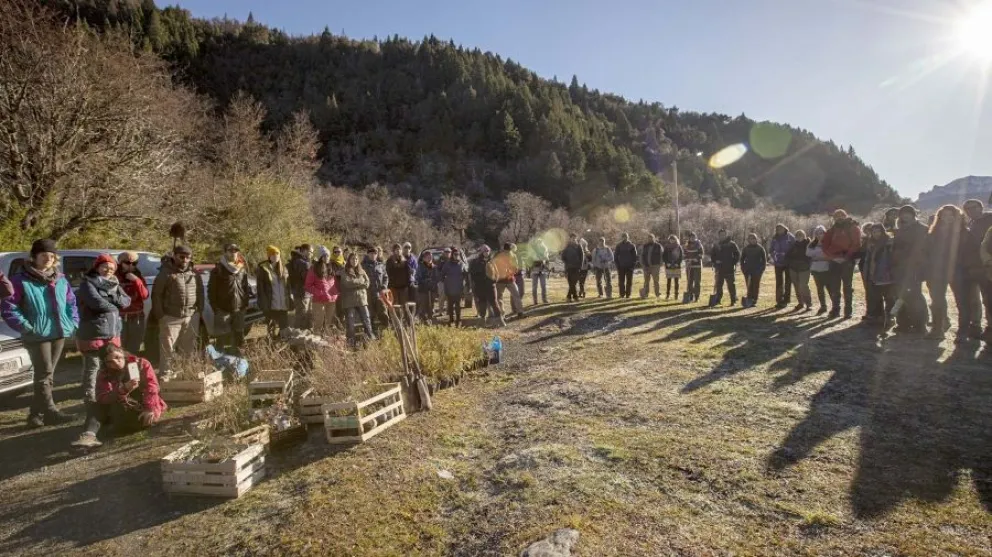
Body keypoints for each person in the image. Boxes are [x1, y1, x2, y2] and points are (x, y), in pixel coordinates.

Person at [2, 240, 79, 427]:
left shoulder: (60, 279)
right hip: (37, 334)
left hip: (59, 332)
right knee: (44, 373)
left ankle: (34, 415)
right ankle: (51, 411)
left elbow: (71, 303)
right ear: (34, 257)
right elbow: (9, 307)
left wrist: (73, 322)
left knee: (47, 374)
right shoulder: (20, 280)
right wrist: (26, 326)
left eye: (52, 256)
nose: (48, 259)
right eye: (44, 255)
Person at [71, 345, 166, 448]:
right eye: (110, 362)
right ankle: (88, 436)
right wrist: (123, 390)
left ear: (122, 353)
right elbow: (102, 397)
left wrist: (149, 408)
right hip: (119, 406)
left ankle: (111, 425)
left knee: (128, 418)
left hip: (141, 409)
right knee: (96, 405)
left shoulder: (140, 364)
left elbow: (152, 387)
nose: (116, 363)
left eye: (117, 357)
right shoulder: (105, 373)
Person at [77, 253, 132, 415]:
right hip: (93, 332)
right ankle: (90, 399)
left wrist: (115, 299)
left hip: (112, 331)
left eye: (112, 268)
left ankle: (108, 395)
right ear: (97, 267)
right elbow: (95, 302)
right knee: (93, 367)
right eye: (105, 267)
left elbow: (126, 301)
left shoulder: (114, 283)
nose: (108, 270)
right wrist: (115, 305)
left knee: (110, 366)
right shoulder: (87, 283)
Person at [151, 245, 202, 380]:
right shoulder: (165, 273)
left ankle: (187, 372)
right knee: (167, 348)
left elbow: (200, 293)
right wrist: (161, 316)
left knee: (189, 347)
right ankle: (166, 374)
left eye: (188, 257)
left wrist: (199, 311)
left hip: (190, 316)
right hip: (170, 317)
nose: (185, 260)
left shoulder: (194, 273)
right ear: (174, 256)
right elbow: (156, 295)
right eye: (182, 256)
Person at [926, 205, 970, 341]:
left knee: (961, 301)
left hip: (957, 269)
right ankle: (937, 328)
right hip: (937, 270)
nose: (948, 218)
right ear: (940, 217)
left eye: (951, 215)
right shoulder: (934, 232)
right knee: (937, 300)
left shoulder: (963, 232)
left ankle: (963, 331)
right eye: (944, 215)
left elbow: (966, 252)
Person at [892, 205, 929, 334]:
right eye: (902, 213)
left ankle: (920, 324)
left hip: (913, 268)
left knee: (915, 296)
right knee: (900, 296)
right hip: (898, 268)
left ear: (913, 215)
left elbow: (921, 249)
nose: (905, 216)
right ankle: (903, 323)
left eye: (908, 213)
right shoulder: (899, 229)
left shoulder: (922, 229)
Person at [208, 244, 251, 354]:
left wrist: (245, 304)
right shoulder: (218, 269)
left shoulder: (242, 268)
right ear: (225, 252)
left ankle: (239, 359)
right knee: (222, 338)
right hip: (223, 310)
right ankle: (221, 361)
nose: (233, 252)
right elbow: (211, 290)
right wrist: (215, 308)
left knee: (239, 336)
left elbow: (245, 287)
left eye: (236, 250)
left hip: (239, 309)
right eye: (230, 250)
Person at [822, 209, 863, 319]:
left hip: (847, 261)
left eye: (841, 216)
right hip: (834, 261)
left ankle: (848, 310)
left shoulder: (853, 228)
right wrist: (833, 257)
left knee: (847, 286)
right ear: (834, 218)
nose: (839, 218)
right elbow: (824, 245)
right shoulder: (831, 230)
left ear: (845, 216)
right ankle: (836, 309)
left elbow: (856, 244)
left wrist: (845, 257)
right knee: (834, 286)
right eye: (836, 216)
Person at [962, 199, 992, 341]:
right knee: (974, 299)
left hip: (987, 266)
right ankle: (976, 325)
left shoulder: (989, 219)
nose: (970, 211)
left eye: (973, 207)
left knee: (988, 298)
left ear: (981, 207)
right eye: (967, 209)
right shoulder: (970, 224)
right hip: (973, 267)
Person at [864, 223, 898, 334]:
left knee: (889, 298)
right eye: (874, 232)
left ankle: (890, 318)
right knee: (876, 297)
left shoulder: (889, 242)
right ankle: (879, 316)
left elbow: (893, 259)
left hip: (887, 274)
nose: (876, 234)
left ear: (882, 231)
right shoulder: (870, 244)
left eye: (878, 231)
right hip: (875, 274)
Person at [338, 253, 377, 345]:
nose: (354, 261)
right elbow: (347, 283)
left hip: (362, 299)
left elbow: (367, 283)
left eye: (356, 259)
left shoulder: (362, 270)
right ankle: (351, 342)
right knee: (350, 322)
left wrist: (357, 283)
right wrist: (360, 282)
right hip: (349, 301)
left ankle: (369, 339)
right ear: (349, 260)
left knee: (366, 319)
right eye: (352, 259)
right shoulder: (344, 271)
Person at [116, 251, 149, 355]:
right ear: (120, 263)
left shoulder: (138, 276)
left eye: (134, 263)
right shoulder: (114, 276)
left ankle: (131, 367)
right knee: (119, 347)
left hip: (136, 316)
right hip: (119, 317)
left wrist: (136, 281)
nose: (130, 266)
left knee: (134, 347)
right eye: (127, 263)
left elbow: (144, 295)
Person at [256, 245, 292, 337]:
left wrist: (290, 300)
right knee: (272, 328)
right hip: (271, 304)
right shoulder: (263, 269)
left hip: (283, 304)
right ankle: (270, 347)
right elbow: (260, 289)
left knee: (285, 328)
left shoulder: (284, 269)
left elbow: (288, 287)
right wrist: (263, 303)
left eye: (277, 253)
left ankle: (282, 346)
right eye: (272, 254)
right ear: (269, 256)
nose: (275, 255)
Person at [306, 246, 339, 335]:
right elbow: (308, 286)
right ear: (320, 257)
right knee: (318, 323)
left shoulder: (331, 267)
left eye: (328, 255)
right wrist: (320, 293)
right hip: (318, 300)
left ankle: (328, 344)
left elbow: (334, 283)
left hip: (331, 300)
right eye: (324, 256)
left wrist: (335, 293)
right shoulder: (313, 268)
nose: (327, 257)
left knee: (329, 324)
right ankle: (316, 343)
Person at [469, 245, 505, 327]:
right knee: (482, 304)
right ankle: (482, 322)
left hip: (491, 287)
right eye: (485, 251)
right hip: (480, 287)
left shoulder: (492, 261)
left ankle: (500, 321)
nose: (487, 252)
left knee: (494, 303)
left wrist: (493, 281)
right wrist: (476, 283)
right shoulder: (475, 262)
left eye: (488, 250)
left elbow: (497, 273)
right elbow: (472, 274)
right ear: (481, 252)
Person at [362, 246, 389, 334]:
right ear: (368, 254)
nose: (373, 255)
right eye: (371, 253)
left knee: (383, 313)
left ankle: (385, 331)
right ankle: (371, 334)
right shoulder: (363, 266)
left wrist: (384, 286)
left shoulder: (381, 265)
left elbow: (385, 277)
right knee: (370, 315)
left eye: (375, 253)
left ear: (377, 255)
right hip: (368, 294)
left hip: (380, 294)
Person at [493, 243, 524, 318]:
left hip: (500, 280)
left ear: (503, 248)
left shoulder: (498, 255)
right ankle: (520, 312)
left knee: (499, 297)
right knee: (516, 295)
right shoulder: (513, 255)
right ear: (510, 248)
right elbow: (516, 268)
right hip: (510, 279)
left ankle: (501, 314)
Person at [710, 230, 741, 306]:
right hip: (719, 268)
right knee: (719, 285)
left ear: (726, 235)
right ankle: (718, 300)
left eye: (723, 235)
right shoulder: (716, 245)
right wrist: (715, 261)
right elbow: (712, 255)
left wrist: (733, 262)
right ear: (719, 235)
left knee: (731, 285)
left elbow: (737, 254)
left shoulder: (731, 244)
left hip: (729, 268)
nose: (722, 236)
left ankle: (733, 300)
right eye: (720, 235)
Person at [806, 226, 831, 315]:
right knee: (820, 289)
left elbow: (830, 254)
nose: (820, 235)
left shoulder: (829, 243)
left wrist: (819, 256)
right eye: (817, 233)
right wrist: (821, 256)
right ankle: (823, 306)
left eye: (821, 233)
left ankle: (835, 307)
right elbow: (808, 253)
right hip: (816, 269)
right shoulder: (812, 244)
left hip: (827, 269)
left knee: (830, 288)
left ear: (825, 233)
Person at [786, 230, 813, 312]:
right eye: (797, 236)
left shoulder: (808, 245)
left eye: (800, 235)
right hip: (793, 268)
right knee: (796, 286)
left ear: (804, 236)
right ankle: (800, 303)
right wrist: (790, 263)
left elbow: (810, 256)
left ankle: (808, 304)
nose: (799, 237)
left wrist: (807, 264)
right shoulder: (793, 245)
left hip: (804, 268)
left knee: (803, 286)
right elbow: (788, 256)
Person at [769, 224, 795, 309]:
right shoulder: (774, 238)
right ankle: (779, 300)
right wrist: (773, 256)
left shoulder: (790, 236)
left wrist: (790, 256)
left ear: (785, 228)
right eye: (777, 229)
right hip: (778, 263)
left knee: (788, 282)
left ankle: (786, 300)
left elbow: (795, 247)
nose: (779, 230)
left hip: (788, 262)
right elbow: (771, 249)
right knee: (779, 282)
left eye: (781, 228)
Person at [440, 248, 467, 327]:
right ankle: (451, 320)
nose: (456, 256)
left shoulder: (462, 264)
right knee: (450, 306)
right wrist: (445, 282)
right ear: (452, 255)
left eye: (458, 254)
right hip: (449, 289)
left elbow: (466, 274)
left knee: (458, 306)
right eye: (455, 254)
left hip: (459, 288)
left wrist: (465, 284)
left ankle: (458, 320)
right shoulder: (447, 264)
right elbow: (441, 275)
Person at [288, 244, 313, 329]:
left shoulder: (294, 260)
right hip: (303, 292)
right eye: (311, 252)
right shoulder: (303, 263)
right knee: (302, 315)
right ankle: (298, 335)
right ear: (305, 251)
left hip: (297, 292)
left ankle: (299, 333)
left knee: (300, 314)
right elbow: (307, 279)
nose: (311, 254)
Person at [739, 233, 766, 308]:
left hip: (757, 270)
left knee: (755, 285)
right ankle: (749, 299)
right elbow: (742, 259)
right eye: (750, 239)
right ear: (748, 240)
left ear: (756, 239)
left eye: (754, 238)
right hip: (747, 270)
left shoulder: (760, 248)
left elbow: (764, 260)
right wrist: (743, 268)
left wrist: (761, 269)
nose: (752, 240)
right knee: (749, 285)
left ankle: (754, 300)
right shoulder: (746, 249)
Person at [856, 222, 875, 322]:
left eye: (871, 229)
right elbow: (859, 253)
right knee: (868, 290)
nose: (869, 231)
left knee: (877, 291)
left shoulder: (878, 240)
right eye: (867, 229)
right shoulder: (863, 241)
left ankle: (878, 313)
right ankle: (870, 312)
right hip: (864, 267)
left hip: (876, 268)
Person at [415, 250, 439, 323]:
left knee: (431, 305)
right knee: (423, 305)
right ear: (424, 258)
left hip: (432, 289)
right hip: (423, 289)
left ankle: (430, 319)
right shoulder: (420, 266)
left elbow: (437, 278)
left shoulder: (434, 267)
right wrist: (425, 281)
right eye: (428, 257)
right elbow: (418, 277)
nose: (429, 258)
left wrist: (432, 283)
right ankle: (423, 321)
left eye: (430, 257)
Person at [562, 234, 586, 302]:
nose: (573, 239)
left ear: (576, 238)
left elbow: (582, 256)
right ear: (570, 238)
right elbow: (563, 257)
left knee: (574, 282)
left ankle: (570, 297)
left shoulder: (579, 246)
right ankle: (573, 297)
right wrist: (567, 262)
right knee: (571, 283)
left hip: (576, 267)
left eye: (574, 238)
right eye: (572, 238)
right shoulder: (567, 246)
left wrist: (580, 266)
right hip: (569, 267)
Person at [614, 233, 639, 299]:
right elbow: (615, 257)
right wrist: (618, 266)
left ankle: (628, 295)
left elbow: (635, 257)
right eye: (623, 237)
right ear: (622, 237)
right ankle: (622, 294)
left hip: (629, 267)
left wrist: (633, 266)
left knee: (629, 281)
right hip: (621, 266)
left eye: (626, 237)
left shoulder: (632, 245)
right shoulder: (618, 246)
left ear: (628, 237)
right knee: (621, 281)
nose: (624, 238)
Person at [640, 234, 664, 298]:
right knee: (646, 281)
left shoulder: (658, 246)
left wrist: (660, 264)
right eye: (649, 238)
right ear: (647, 239)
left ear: (654, 238)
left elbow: (662, 255)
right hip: (646, 266)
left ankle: (657, 294)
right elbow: (642, 256)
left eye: (651, 238)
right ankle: (645, 294)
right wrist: (643, 265)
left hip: (655, 266)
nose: (650, 239)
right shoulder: (644, 246)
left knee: (656, 281)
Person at [683, 231, 704, 302]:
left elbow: (701, 254)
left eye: (693, 237)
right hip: (689, 266)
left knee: (697, 282)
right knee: (689, 282)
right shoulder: (686, 245)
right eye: (691, 237)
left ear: (695, 237)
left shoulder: (698, 244)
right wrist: (687, 260)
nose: (692, 238)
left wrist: (696, 258)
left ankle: (697, 296)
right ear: (689, 238)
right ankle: (690, 296)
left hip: (697, 266)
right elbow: (684, 254)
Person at [663, 235, 684, 300]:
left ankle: (676, 295)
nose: (672, 240)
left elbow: (681, 256)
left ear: (675, 239)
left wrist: (677, 263)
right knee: (668, 281)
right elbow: (664, 256)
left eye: (673, 239)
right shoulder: (666, 247)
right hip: (669, 266)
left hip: (676, 266)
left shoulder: (678, 246)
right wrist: (667, 263)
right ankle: (667, 295)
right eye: (671, 239)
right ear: (669, 240)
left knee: (676, 281)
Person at [530, 239, 550, 305]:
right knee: (534, 286)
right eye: (538, 243)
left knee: (543, 285)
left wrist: (546, 263)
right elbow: (530, 259)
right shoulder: (533, 250)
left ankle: (544, 299)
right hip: (535, 269)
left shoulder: (544, 249)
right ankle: (535, 301)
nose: (539, 244)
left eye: (540, 243)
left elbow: (547, 259)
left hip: (542, 269)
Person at [437, 247, 452, 315]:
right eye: (446, 252)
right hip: (442, 281)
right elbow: (438, 270)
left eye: (449, 252)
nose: (447, 253)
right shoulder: (440, 260)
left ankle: (449, 311)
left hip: (450, 282)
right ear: (443, 253)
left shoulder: (453, 260)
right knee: (442, 297)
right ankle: (440, 311)